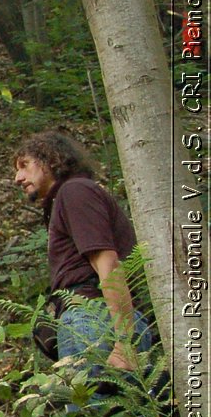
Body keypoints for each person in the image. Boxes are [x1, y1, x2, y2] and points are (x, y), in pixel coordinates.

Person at [12, 130, 151, 374]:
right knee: (98, 410)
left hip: (95, 319)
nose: (18, 177)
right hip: (94, 320)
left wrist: (124, 343)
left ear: (49, 160)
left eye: (24, 165)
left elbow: (108, 264)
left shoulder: (75, 192)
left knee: (94, 411)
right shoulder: (72, 196)